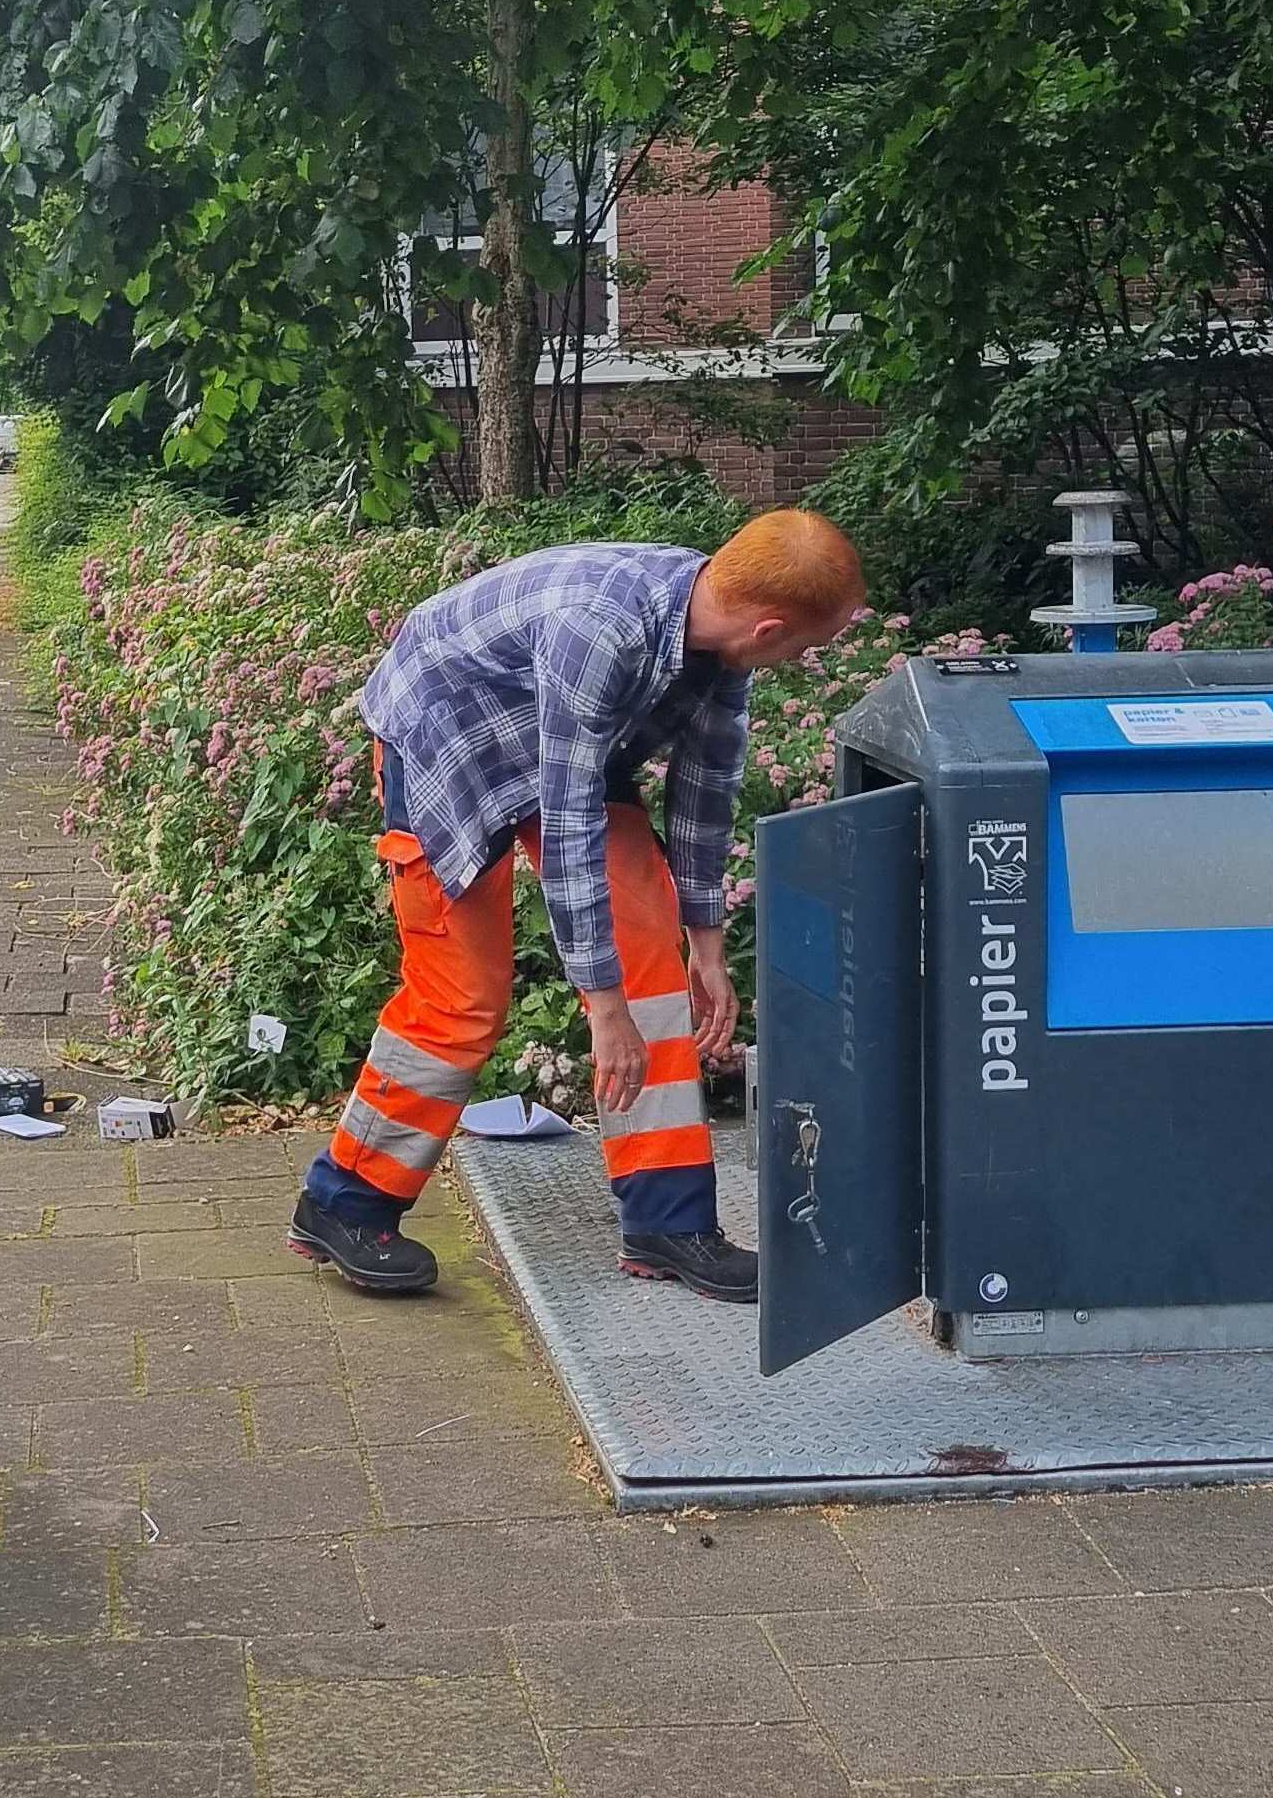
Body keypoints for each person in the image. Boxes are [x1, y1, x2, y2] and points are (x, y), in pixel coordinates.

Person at [288, 508, 867, 1303]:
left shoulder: (721, 639)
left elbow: (705, 793)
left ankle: (668, 1219)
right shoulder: (600, 630)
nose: (803, 659)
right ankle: (344, 1203)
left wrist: (705, 945)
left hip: (564, 744)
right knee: (461, 998)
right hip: (450, 744)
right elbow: (567, 826)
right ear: (768, 628)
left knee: (650, 953)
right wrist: (602, 1007)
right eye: (807, 646)